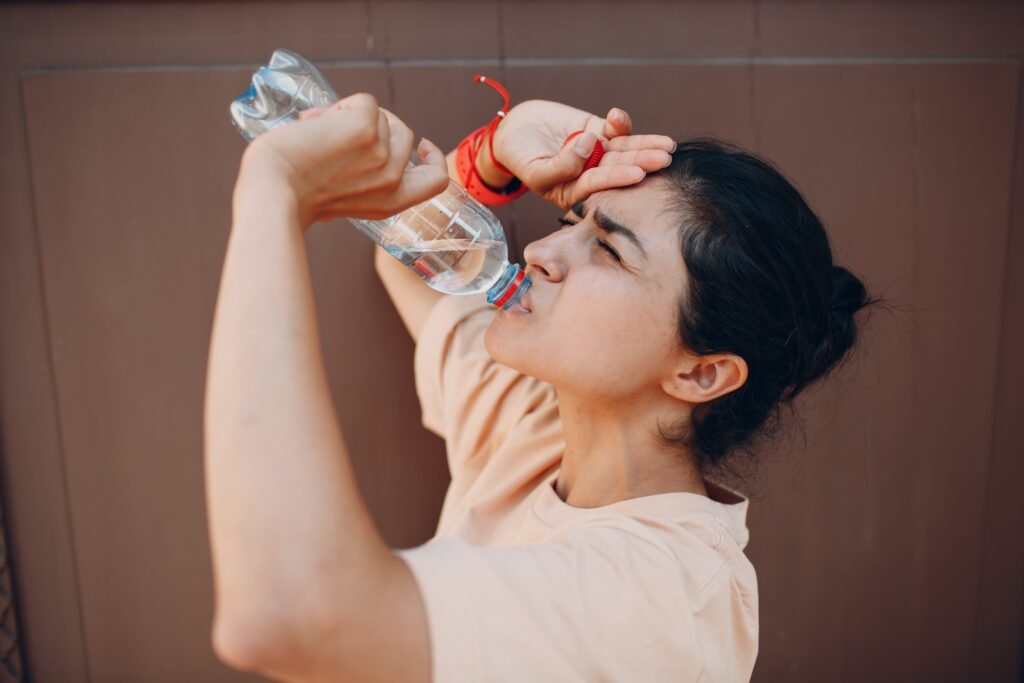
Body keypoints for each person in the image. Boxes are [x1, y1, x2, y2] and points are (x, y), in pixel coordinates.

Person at [205, 91, 871, 682]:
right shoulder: (535, 425)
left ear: (701, 371)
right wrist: (492, 156)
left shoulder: (658, 599)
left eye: (607, 250)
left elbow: (285, 615)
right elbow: (406, 259)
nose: (539, 253)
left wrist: (272, 191)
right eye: (568, 224)